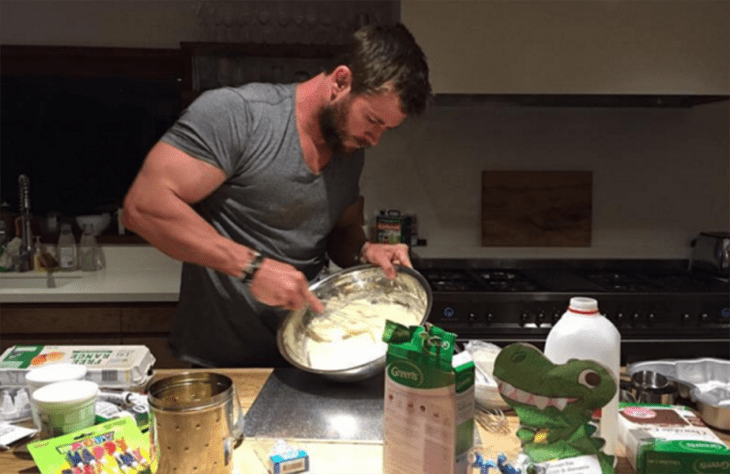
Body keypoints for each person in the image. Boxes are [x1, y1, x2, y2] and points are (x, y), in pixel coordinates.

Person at [122, 22, 432, 368]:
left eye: (385, 130)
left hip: (312, 355)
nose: (375, 139)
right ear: (341, 81)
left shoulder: (349, 148)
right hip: (223, 362)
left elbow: (340, 231)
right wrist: (252, 268)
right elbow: (144, 207)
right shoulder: (238, 115)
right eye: (373, 120)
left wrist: (365, 251)